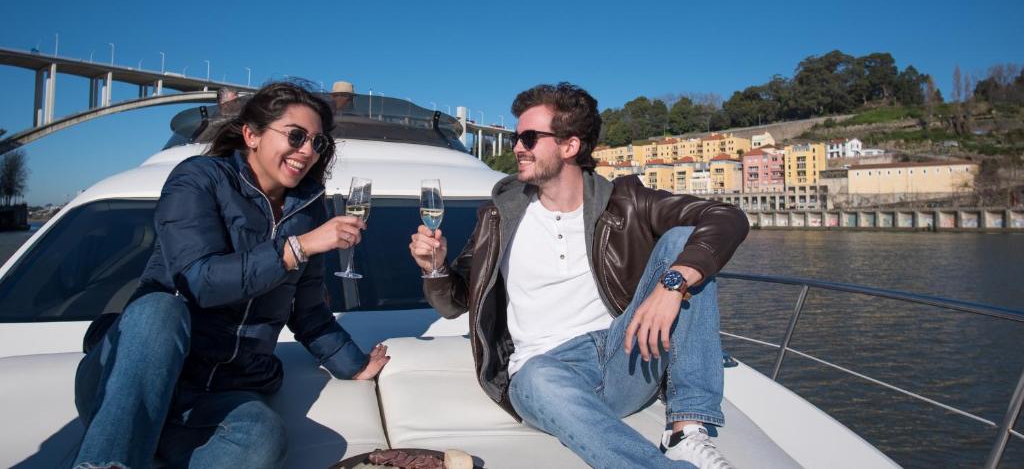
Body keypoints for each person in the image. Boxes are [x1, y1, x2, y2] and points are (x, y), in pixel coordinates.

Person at [409, 83, 748, 468]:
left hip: (624, 352)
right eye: (518, 137)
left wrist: (672, 284)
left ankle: (686, 430)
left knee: (685, 241)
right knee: (537, 378)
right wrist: (435, 267)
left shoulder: (627, 202)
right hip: (547, 369)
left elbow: (726, 217)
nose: (517, 147)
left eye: (529, 138)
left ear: (570, 146)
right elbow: (454, 304)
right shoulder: (498, 216)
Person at [73, 81, 389, 469]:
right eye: (295, 136)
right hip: (130, 381)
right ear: (251, 134)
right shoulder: (198, 179)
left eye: (317, 143)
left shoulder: (308, 211)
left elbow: (307, 310)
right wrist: (297, 247)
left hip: (223, 393)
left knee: (262, 435)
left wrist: (354, 364)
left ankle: (139, 448)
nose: (307, 151)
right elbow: (199, 282)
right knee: (161, 309)